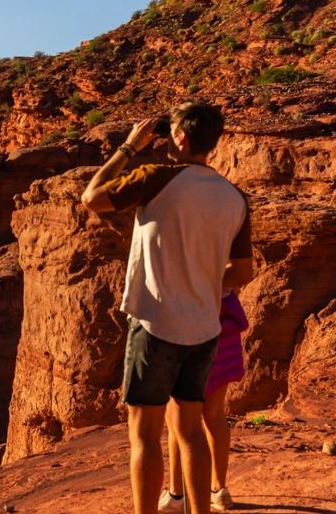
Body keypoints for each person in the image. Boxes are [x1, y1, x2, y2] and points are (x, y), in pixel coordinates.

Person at [81, 101, 253, 514]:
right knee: (191, 431)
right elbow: (242, 272)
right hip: (205, 328)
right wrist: (204, 282)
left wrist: (127, 147)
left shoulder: (155, 178)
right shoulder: (234, 198)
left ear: (179, 137)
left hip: (156, 324)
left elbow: (91, 198)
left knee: (144, 436)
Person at [159, 289, 249, 513]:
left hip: (192, 332)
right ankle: (219, 490)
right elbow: (238, 273)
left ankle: (176, 495)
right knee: (215, 414)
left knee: (177, 419)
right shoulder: (220, 254)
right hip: (223, 332)